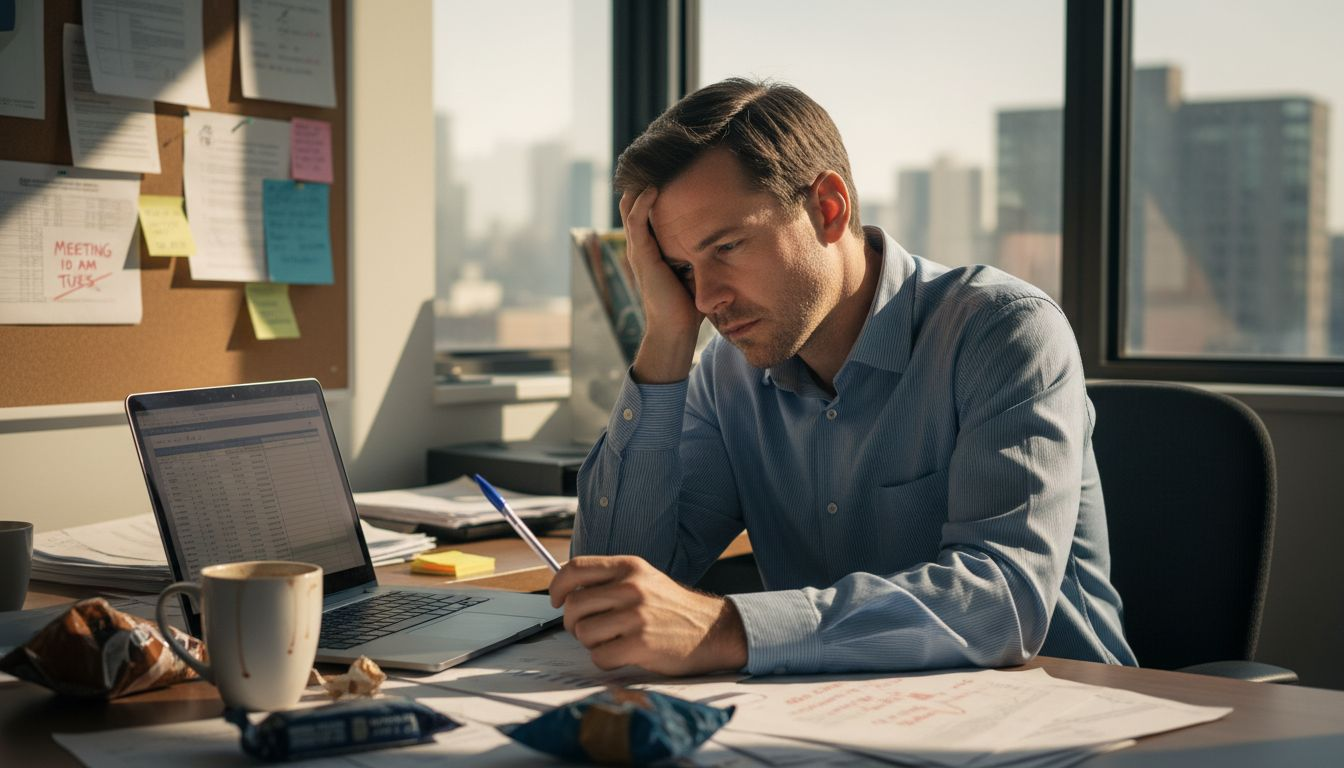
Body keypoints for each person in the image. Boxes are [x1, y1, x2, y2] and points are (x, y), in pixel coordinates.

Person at [548, 78, 1137, 677]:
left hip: (1061, 722)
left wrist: (731, 629)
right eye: (681, 268)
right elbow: (608, 594)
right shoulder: (727, 373)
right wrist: (666, 339)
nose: (705, 298)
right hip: (841, 723)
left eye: (725, 247)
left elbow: (1000, 604)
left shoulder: (1003, 333)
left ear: (829, 209)